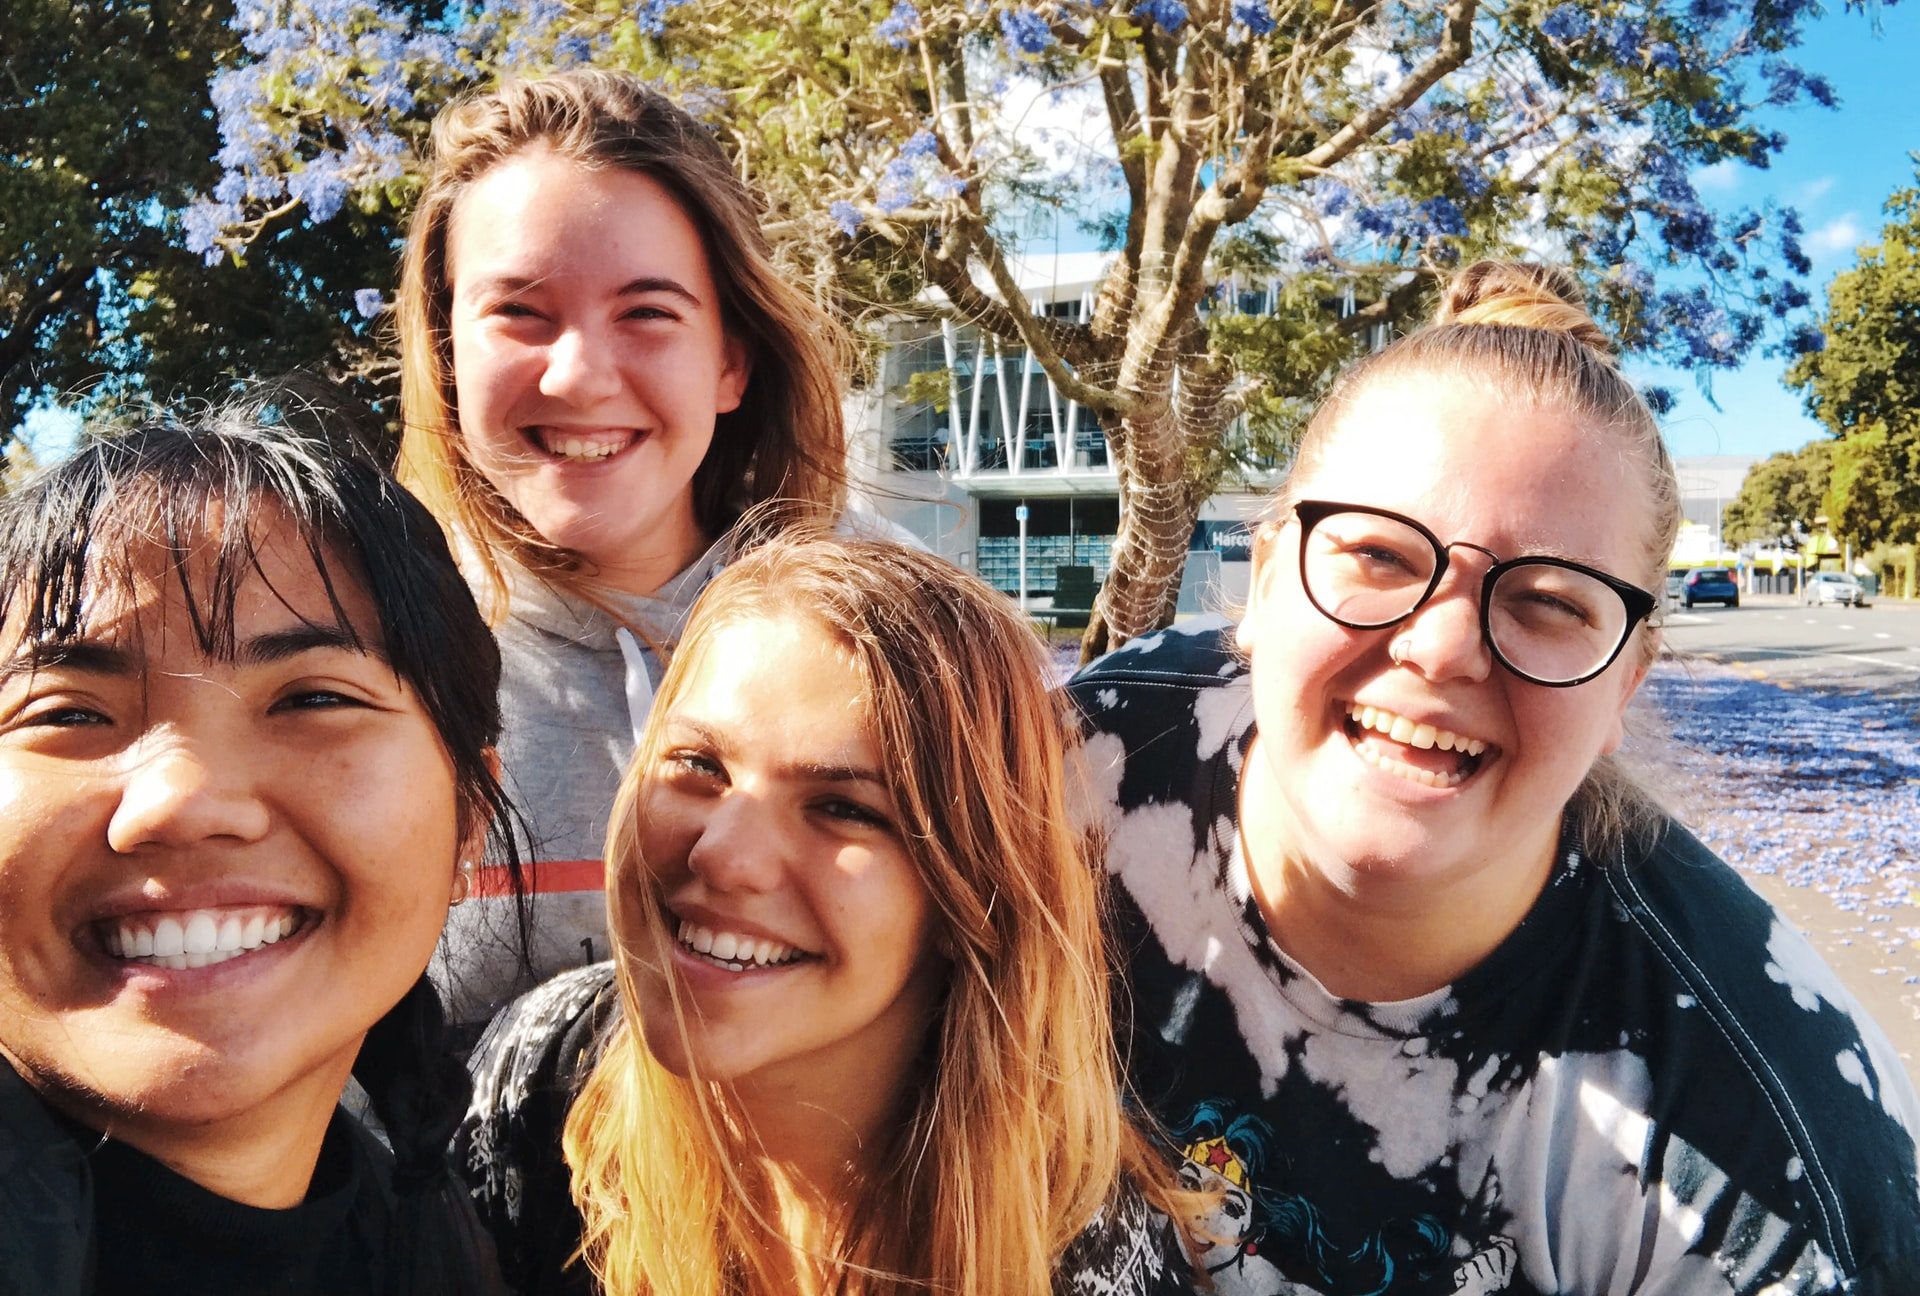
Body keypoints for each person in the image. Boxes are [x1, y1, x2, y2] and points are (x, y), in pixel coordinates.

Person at [1068, 262, 1920, 1295]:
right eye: (1378, 556)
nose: (1442, 648)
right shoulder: (1085, 765)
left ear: (1625, 686)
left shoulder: (1769, 1183)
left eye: (1550, 604)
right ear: (1263, 579)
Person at [458, 535, 1194, 1295]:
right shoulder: (536, 1079)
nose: (723, 853)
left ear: (970, 894)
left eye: (844, 808)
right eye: (698, 766)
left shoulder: (1085, 1256)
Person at [0, 395, 518, 1295]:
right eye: (68, 713)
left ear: (468, 817)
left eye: (313, 699)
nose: (180, 804)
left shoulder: (438, 1244)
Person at [394, 69, 858, 1023]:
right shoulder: (363, 657)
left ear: (731, 360)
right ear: (446, 352)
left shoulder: (886, 643)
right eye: (519, 313)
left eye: (648, 312)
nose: (579, 377)